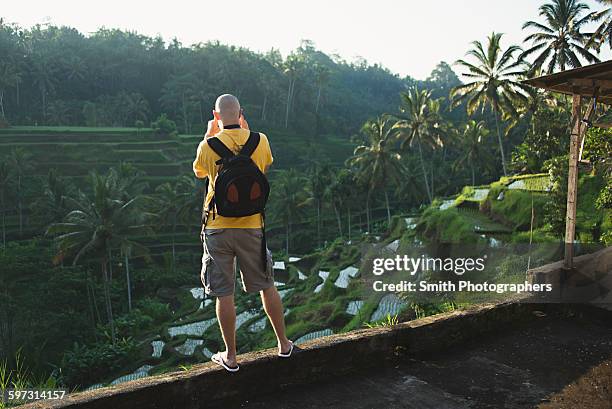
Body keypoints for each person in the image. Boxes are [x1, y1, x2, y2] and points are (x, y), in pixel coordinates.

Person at [193, 94, 293, 372]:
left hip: (217, 228)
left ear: (216, 115)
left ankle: (231, 356)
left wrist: (209, 135)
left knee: (225, 293)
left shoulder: (207, 146)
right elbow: (264, 167)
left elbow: (201, 173)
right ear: (241, 113)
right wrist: (246, 133)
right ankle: (284, 344)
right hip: (251, 227)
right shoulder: (260, 141)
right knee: (266, 284)